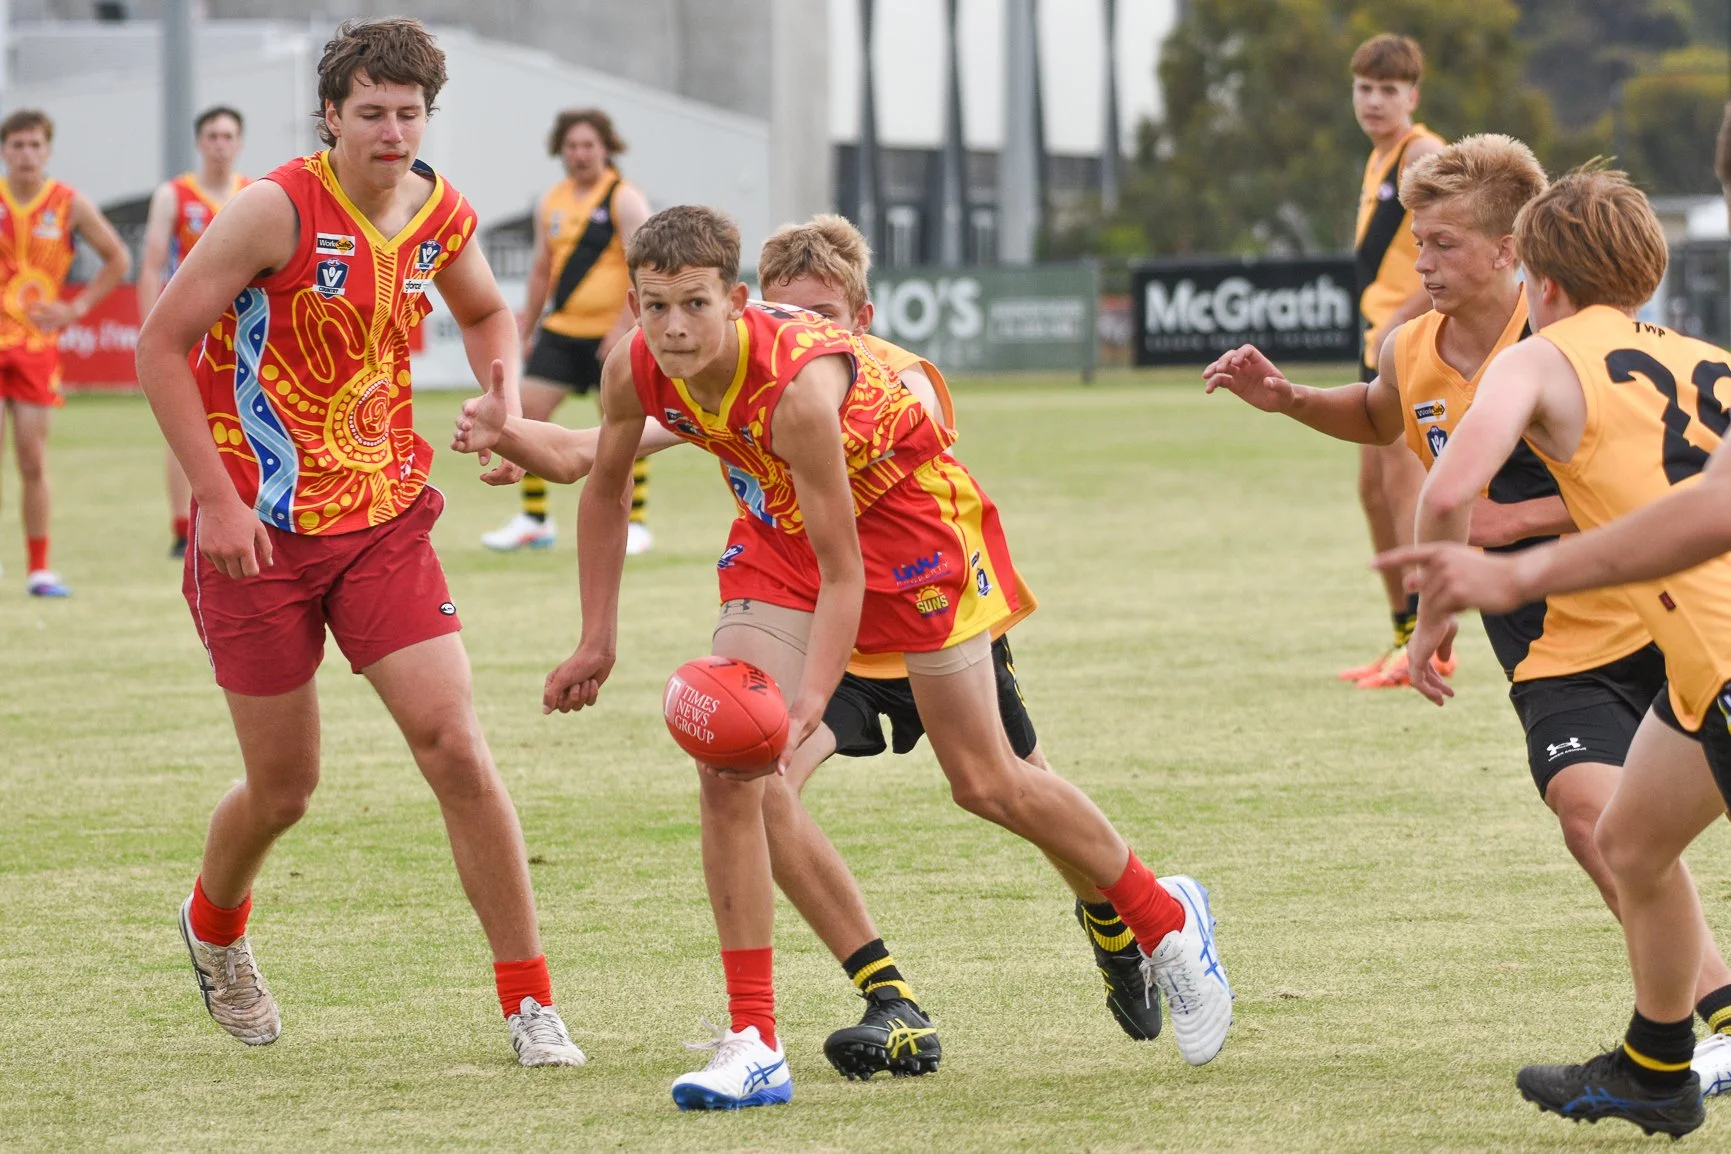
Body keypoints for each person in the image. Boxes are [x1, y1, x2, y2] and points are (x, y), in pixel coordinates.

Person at [459, 204, 1232, 1110]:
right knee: (733, 764)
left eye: (693, 306)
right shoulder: (640, 361)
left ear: (734, 303)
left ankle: (1162, 918)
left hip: (906, 540)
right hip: (780, 545)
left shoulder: (801, 392)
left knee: (989, 782)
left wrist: (809, 699)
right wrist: (595, 633)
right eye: (656, 307)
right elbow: (594, 477)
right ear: (636, 304)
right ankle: (754, 1040)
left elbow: (845, 570)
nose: (673, 326)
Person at [1205, 136, 1731, 1099]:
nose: (1423, 263)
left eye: (1442, 244)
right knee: (1600, 823)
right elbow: (1379, 416)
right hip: (1553, 640)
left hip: (1658, 613)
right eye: (1416, 241)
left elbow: (1635, 492)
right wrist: (1285, 400)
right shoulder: (1412, 345)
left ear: (1513, 255)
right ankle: (1691, 1036)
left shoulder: (1544, 356)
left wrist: (1475, 555)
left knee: (1625, 830)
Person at [133, 18, 584, 1068]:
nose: (390, 129)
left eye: (407, 112)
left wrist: (504, 398)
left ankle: (530, 1003)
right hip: (258, 532)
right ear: (330, 114)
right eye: (370, 111)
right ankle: (216, 925)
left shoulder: (439, 208)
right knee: (286, 789)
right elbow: (161, 342)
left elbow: (485, 315)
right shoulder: (273, 208)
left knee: (455, 743)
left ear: (427, 117)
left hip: (382, 517)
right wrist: (216, 499)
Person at [1371, 165, 1731, 1138]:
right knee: (1629, 838)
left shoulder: (1538, 356)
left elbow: (1446, 493)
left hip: (1717, 652)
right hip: (1696, 673)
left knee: (1628, 838)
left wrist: (1436, 615)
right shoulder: (1712, 356)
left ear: (1542, 282)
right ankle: (1660, 1067)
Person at [480, 108, 653, 555]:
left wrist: (624, 326)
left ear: (606, 148)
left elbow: (644, 266)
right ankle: (534, 520)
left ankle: (634, 522)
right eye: (572, 146)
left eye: (589, 145)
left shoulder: (624, 198)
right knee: (526, 418)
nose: (580, 154)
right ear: (561, 150)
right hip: (562, 330)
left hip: (612, 336)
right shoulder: (552, 200)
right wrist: (529, 325)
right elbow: (541, 270)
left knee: (623, 426)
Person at [1341, 33, 1447, 689]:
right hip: (1377, 342)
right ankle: (1402, 637)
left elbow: (1462, 241)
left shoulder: (1423, 154)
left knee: (1405, 487)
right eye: (1363, 88)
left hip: (1405, 342)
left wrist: (1405, 317)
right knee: (1373, 490)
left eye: (1387, 90)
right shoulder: (1379, 158)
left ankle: (1429, 644)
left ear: (1411, 95)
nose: (1373, 101)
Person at [0, 108, 130, 596]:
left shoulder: (68, 203)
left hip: (36, 347)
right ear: (5, 151)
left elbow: (117, 257)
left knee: (32, 460)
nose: (27, 155)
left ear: (48, 150)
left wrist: (76, 309)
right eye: (18, 146)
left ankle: (38, 567)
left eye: (35, 145)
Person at [137, 106, 250, 559]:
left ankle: (244, 512)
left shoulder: (255, 193)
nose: (220, 143)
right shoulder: (173, 195)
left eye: (228, 135)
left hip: (243, 334)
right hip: (190, 330)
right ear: (200, 142)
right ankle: (183, 528)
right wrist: (150, 330)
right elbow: (150, 265)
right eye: (212, 135)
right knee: (184, 428)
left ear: (239, 142)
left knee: (243, 426)